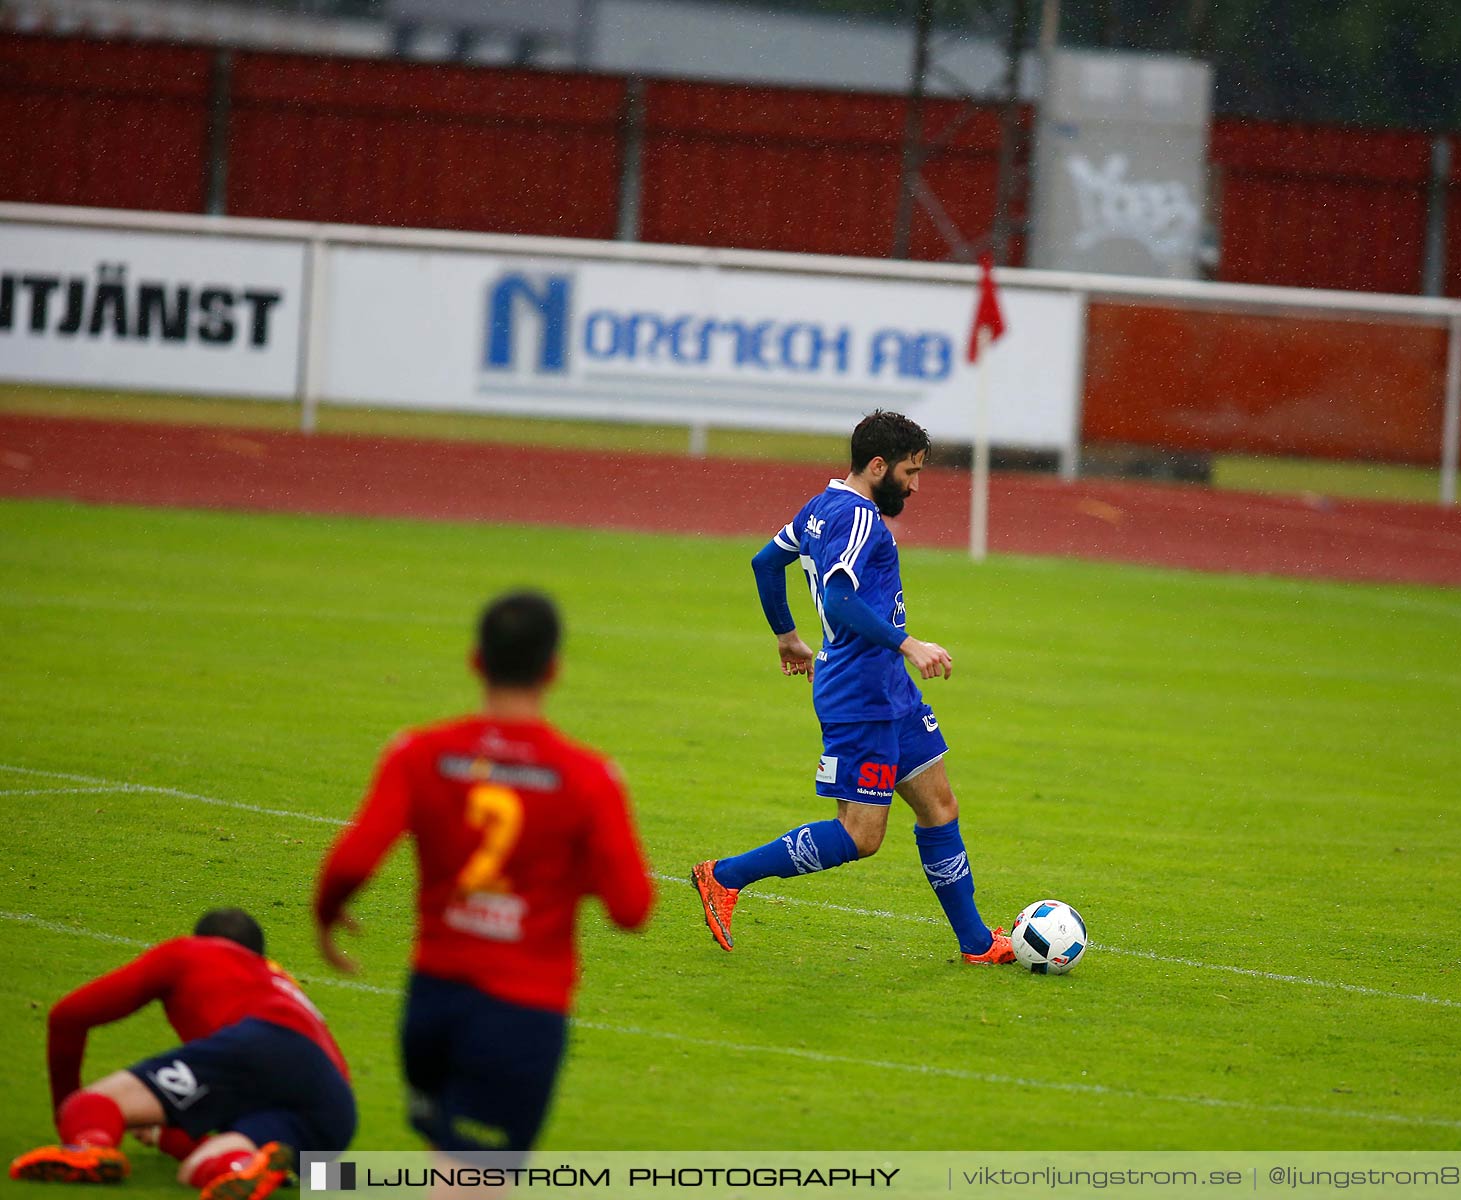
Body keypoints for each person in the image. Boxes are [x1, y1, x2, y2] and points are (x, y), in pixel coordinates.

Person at [313, 589, 653, 1165]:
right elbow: (631, 909)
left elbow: (350, 861)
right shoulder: (589, 778)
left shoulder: (418, 752)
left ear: (476, 661)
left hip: (431, 1004)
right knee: (476, 1179)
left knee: (443, 1160)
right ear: (553, 669)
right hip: (520, 1017)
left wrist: (326, 917)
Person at [691, 409, 1014, 964]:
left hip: (889, 689)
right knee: (862, 835)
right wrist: (908, 644)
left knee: (939, 806)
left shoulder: (822, 506)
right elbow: (840, 599)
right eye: (910, 472)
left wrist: (789, 638)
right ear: (878, 465)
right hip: (860, 694)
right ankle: (723, 876)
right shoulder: (859, 517)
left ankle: (978, 944)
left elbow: (767, 563)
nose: (915, 485)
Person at [9, 908, 354, 1200]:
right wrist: (164, 1132)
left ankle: (89, 1147)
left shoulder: (189, 953)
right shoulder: (282, 983)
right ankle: (238, 1165)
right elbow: (221, 1096)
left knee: (94, 1104)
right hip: (336, 1107)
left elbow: (68, 1016)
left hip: (260, 1044)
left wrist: (70, 1113)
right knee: (197, 1168)